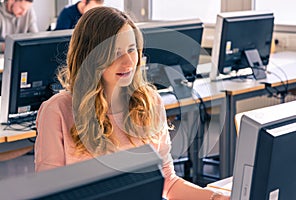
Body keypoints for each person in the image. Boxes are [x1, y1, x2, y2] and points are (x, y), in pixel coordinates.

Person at [34, 6, 230, 200]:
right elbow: (49, 194)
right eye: (116, 52)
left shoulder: (150, 102)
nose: (128, 62)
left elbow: (167, 181)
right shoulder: (57, 111)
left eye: (131, 49)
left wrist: (214, 197)